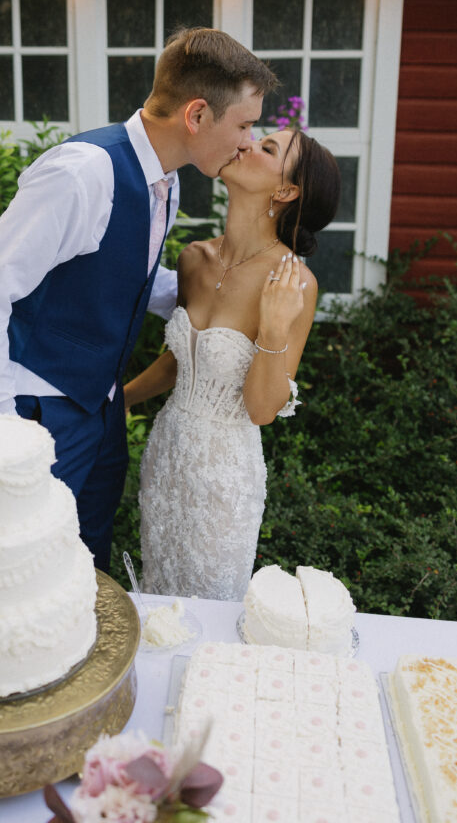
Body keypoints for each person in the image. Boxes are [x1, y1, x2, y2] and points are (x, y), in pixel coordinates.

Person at [0, 27, 277, 573]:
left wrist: (232, 295)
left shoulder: (167, 181)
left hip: (102, 409)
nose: (247, 142)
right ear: (196, 116)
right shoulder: (83, 173)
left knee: (85, 564)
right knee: (24, 571)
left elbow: (123, 275)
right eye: (244, 125)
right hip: (38, 410)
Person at [124, 127, 341, 599]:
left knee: (211, 610)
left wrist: (275, 327)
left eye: (267, 149)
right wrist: (120, 399)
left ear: (285, 191)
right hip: (166, 458)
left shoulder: (295, 283)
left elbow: (263, 409)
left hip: (225, 478)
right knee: (161, 597)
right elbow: (182, 361)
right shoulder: (194, 259)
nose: (246, 143)